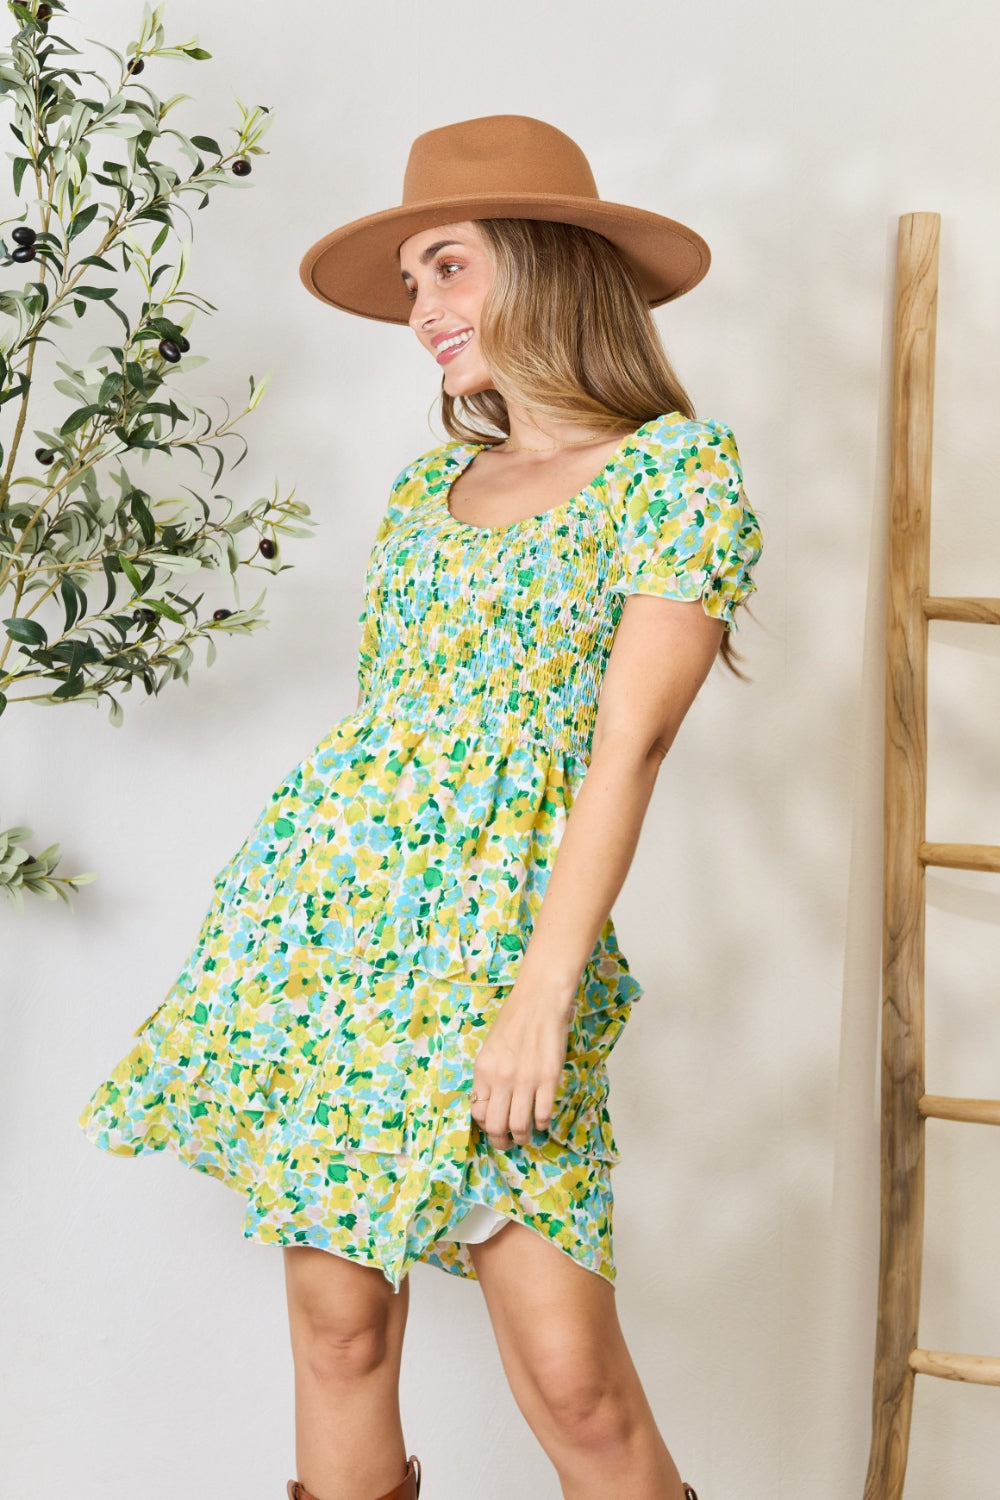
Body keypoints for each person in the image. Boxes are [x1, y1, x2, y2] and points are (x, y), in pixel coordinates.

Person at [79, 115, 762, 1500]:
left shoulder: (672, 475)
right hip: (335, 933)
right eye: (409, 287)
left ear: (544, 264)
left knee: (572, 1380)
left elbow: (626, 751)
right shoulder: (421, 493)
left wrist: (541, 992)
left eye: (447, 268)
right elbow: (399, 739)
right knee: (340, 1337)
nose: (423, 314)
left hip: (511, 946)